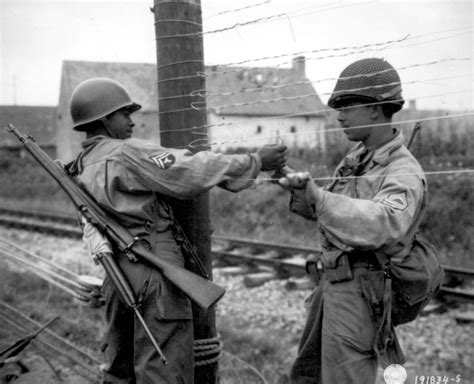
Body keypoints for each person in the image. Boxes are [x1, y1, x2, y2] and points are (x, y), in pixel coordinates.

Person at [66, 77, 287, 384]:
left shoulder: (78, 167)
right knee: (163, 371)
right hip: (154, 270)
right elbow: (188, 169)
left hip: (116, 274)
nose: (132, 122)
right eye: (124, 114)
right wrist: (254, 161)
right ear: (105, 119)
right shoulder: (127, 152)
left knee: (120, 371)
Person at [278, 58, 427, 384]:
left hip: (361, 292)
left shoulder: (403, 170)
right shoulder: (355, 161)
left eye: (347, 105)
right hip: (331, 286)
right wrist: (301, 192)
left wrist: (320, 198)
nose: (339, 114)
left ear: (376, 108)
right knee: (308, 376)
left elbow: (384, 223)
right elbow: (329, 216)